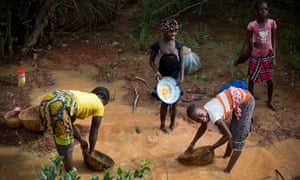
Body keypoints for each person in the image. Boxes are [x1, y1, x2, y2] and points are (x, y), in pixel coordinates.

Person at [184, 86, 255, 173]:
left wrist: (210, 148)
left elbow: (228, 135)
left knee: (239, 139)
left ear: (202, 109)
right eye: (198, 120)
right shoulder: (206, 110)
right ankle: (226, 157)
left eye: (201, 115)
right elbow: (202, 127)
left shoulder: (214, 116)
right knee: (232, 130)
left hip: (246, 101)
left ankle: (227, 171)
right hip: (236, 97)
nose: (202, 119)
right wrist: (192, 144)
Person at [38, 87, 110, 172]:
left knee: (60, 137)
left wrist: (81, 139)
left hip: (47, 101)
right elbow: (94, 131)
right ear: (104, 99)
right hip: (60, 105)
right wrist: (91, 151)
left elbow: (69, 123)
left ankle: (65, 165)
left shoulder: (82, 97)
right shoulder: (99, 105)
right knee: (68, 147)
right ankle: (70, 174)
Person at [234, 0, 277, 111]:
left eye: (266, 9)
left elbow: (273, 39)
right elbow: (246, 41)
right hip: (255, 57)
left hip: (267, 56)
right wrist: (240, 57)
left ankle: (270, 101)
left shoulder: (271, 23)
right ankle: (250, 102)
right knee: (252, 80)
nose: (264, 11)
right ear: (256, 11)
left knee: (270, 80)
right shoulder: (252, 25)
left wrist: (274, 57)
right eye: (261, 9)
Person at [149, 19, 184, 133]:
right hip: (163, 78)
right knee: (164, 102)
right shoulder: (157, 46)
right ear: (164, 32)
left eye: (175, 32)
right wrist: (157, 72)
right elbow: (151, 61)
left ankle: (172, 123)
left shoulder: (178, 45)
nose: (173, 34)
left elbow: (182, 62)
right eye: (170, 32)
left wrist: (181, 77)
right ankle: (163, 124)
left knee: (174, 102)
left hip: (175, 77)